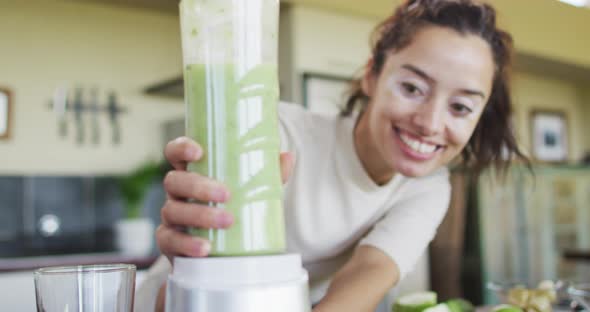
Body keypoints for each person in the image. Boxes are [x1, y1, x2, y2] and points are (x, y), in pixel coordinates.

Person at [135, 0, 529, 311]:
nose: (429, 123)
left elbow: (371, 270)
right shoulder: (278, 132)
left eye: (460, 107)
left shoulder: (428, 187)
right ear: (372, 75)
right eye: (412, 88)